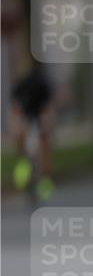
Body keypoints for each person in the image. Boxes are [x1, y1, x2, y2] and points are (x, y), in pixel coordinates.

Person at [10, 63, 55, 204]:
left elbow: (46, 107)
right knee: (38, 145)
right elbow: (16, 106)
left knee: (37, 145)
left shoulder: (33, 83)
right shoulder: (35, 83)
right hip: (29, 118)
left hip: (33, 118)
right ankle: (31, 171)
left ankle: (40, 178)